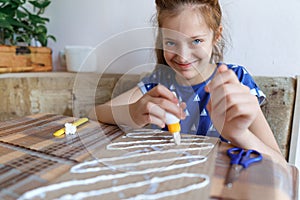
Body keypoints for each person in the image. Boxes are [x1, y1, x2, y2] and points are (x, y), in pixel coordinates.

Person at [91, 0, 285, 163]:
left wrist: (240, 135)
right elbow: (94, 113)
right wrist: (133, 112)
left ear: (216, 35)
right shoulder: (158, 82)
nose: (183, 57)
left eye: (196, 41)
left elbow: (281, 165)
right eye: (171, 42)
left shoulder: (236, 81)